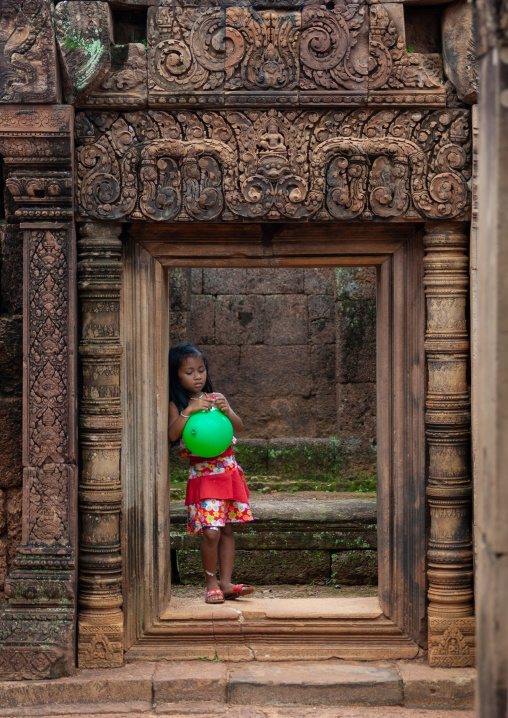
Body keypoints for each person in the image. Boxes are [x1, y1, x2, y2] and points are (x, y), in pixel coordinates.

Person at [168, 342, 255, 604]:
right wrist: (188, 411)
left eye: (201, 370)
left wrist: (228, 410)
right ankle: (210, 583)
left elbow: (237, 427)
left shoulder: (215, 398)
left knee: (227, 530)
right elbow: (172, 434)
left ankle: (226, 583)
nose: (197, 376)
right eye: (189, 371)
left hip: (228, 472)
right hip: (203, 476)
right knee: (211, 531)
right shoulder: (178, 404)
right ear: (176, 375)